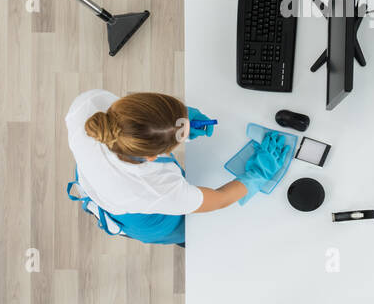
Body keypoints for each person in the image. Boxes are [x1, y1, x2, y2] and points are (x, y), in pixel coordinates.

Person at [64, 90, 261, 246]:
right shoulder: (155, 187)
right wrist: (257, 175)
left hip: (92, 179)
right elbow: (219, 199)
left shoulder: (87, 106)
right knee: (191, 229)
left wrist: (171, 124)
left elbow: (133, 117)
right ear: (151, 156)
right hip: (142, 219)